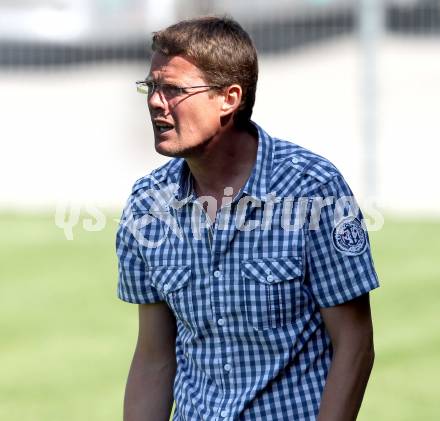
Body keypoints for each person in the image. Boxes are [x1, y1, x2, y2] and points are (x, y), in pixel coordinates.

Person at [116, 16, 379, 421]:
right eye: (151, 87)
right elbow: (154, 357)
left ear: (229, 98)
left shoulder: (313, 189)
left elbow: (355, 343)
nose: (154, 101)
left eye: (173, 89)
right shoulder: (147, 204)